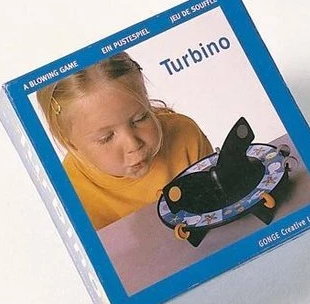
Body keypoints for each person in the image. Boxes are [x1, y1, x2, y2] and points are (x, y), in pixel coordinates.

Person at [37, 52, 213, 230]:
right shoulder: (67, 192)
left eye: (141, 118)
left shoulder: (185, 136)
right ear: (72, 144)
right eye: (106, 138)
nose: (133, 145)